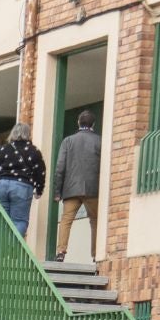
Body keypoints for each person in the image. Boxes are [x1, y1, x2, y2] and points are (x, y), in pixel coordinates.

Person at [53, 108, 101, 262]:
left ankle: (61, 251)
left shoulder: (68, 141)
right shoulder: (100, 140)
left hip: (71, 188)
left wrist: (57, 191)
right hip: (93, 189)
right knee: (95, 221)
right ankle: (95, 254)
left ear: (78, 123)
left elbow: (60, 167)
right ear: (93, 124)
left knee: (66, 220)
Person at [0, 121, 45, 243]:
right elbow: (40, 172)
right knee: (19, 221)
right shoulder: (34, 151)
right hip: (22, 186)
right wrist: (39, 190)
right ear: (28, 134)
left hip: (2, 185)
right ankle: (11, 247)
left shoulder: (4, 148)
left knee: (2, 220)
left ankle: (0, 250)